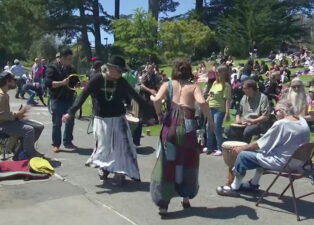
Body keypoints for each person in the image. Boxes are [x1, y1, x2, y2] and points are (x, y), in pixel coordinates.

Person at [62, 55, 150, 185]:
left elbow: (135, 96)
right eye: (119, 71)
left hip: (118, 118)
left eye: (122, 72)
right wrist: (71, 112)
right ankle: (104, 169)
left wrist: (150, 114)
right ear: (109, 68)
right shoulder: (97, 79)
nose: (121, 74)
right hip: (101, 119)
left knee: (122, 147)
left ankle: (120, 173)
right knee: (104, 147)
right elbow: (83, 95)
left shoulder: (121, 81)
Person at [150, 59, 214, 216]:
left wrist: (158, 114)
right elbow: (203, 103)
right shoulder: (193, 87)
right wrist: (210, 122)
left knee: (167, 164)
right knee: (188, 161)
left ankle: (163, 205)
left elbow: (157, 100)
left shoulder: (168, 84)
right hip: (187, 127)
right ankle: (185, 198)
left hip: (169, 125)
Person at [217, 100, 310, 194]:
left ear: (281, 111)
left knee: (243, 156)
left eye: (275, 110)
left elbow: (260, 144)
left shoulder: (282, 124)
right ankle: (254, 183)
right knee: (265, 152)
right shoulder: (302, 121)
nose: (274, 113)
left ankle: (234, 187)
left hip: (283, 164)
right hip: (299, 163)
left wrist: (241, 149)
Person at [0, 71, 44, 160]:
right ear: (7, 81)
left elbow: (5, 113)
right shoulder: (1, 96)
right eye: (14, 80)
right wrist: (18, 114)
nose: (16, 82)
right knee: (29, 130)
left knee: (39, 127)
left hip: (8, 122)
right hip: (3, 125)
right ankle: (28, 155)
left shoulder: (5, 94)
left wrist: (18, 114)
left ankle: (20, 153)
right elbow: (1, 115)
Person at [45, 48, 78, 153]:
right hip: (57, 99)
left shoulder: (72, 69)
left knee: (70, 121)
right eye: (68, 59)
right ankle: (56, 144)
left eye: (71, 59)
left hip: (69, 98)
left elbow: (75, 82)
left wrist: (80, 84)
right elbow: (48, 83)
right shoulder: (52, 67)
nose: (70, 61)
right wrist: (62, 83)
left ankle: (68, 142)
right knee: (57, 122)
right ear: (62, 58)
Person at [204, 65, 231, 156]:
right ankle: (209, 147)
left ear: (222, 73)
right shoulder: (215, 83)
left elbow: (227, 100)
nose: (216, 74)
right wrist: (204, 103)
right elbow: (210, 95)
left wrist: (227, 113)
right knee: (208, 128)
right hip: (210, 108)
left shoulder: (226, 85)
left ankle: (220, 148)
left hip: (219, 109)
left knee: (216, 129)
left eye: (218, 72)